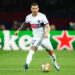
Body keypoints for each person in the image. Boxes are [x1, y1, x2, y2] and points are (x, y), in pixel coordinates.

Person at [15, 3, 60, 72]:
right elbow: (25, 24)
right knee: (32, 50)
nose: (34, 10)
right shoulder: (28, 17)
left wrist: (46, 33)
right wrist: (18, 30)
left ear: (38, 9)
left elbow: (48, 27)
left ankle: (54, 62)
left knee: (51, 53)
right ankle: (26, 65)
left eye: (36, 8)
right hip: (36, 37)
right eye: (33, 8)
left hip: (44, 37)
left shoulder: (42, 16)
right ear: (31, 9)